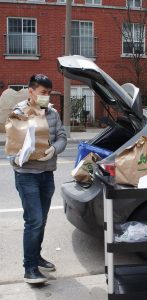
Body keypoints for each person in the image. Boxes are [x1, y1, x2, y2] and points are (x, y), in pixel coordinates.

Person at [11, 74, 67, 284]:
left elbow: (62, 136)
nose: (46, 97)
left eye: (49, 93)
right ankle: (30, 268)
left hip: (47, 175)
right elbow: (11, 149)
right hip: (27, 177)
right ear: (31, 91)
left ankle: (37, 257)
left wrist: (54, 149)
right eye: (43, 92)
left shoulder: (52, 114)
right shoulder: (19, 114)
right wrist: (18, 157)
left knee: (41, 221)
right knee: (33, 221)